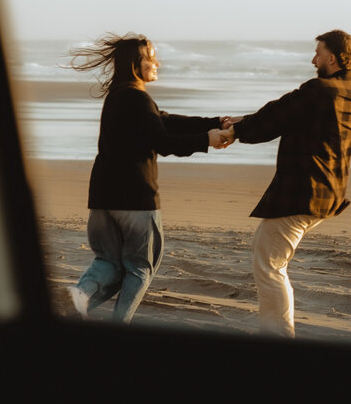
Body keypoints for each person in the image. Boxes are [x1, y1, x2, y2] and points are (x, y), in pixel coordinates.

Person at [66, 33, 232, 323]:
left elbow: (164, 121)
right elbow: (164, 142)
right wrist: (206, 140)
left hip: (103, 198)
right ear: (135, 63)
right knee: (141, 267)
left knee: (109, 264)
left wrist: (214, 123)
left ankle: (77, 301)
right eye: (150, 56)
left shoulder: (119, 96)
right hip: (135, 200)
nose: (157, 62)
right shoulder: (137, 98)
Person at [219, 30, 351, 337]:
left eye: (318, 52)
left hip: (303, 192)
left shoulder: (319, 89)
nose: (313, 59)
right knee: (268, 256)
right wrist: (242, 123)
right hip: (329, 194)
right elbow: (286, 117)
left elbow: (276, 116)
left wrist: (236, 129)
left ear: (332, 57)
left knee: (269, 267)